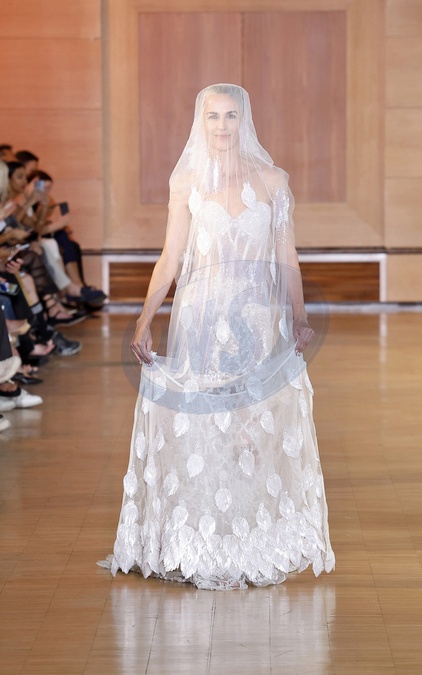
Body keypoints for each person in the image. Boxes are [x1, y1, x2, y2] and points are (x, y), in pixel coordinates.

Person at [102, 84, 334, 590]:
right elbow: (171, 256)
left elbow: (287, 256)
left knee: (253, 426)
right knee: (206, 423)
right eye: (213, 116)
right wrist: (143, 320)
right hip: (202, 318)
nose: (223, 126)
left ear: (244, 120)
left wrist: (299, 315)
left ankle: (251, 543)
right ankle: (202, 545)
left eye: (231, 116)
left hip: (257, 320)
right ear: (200, 121)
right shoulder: (185, 180)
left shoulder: (273, 181)